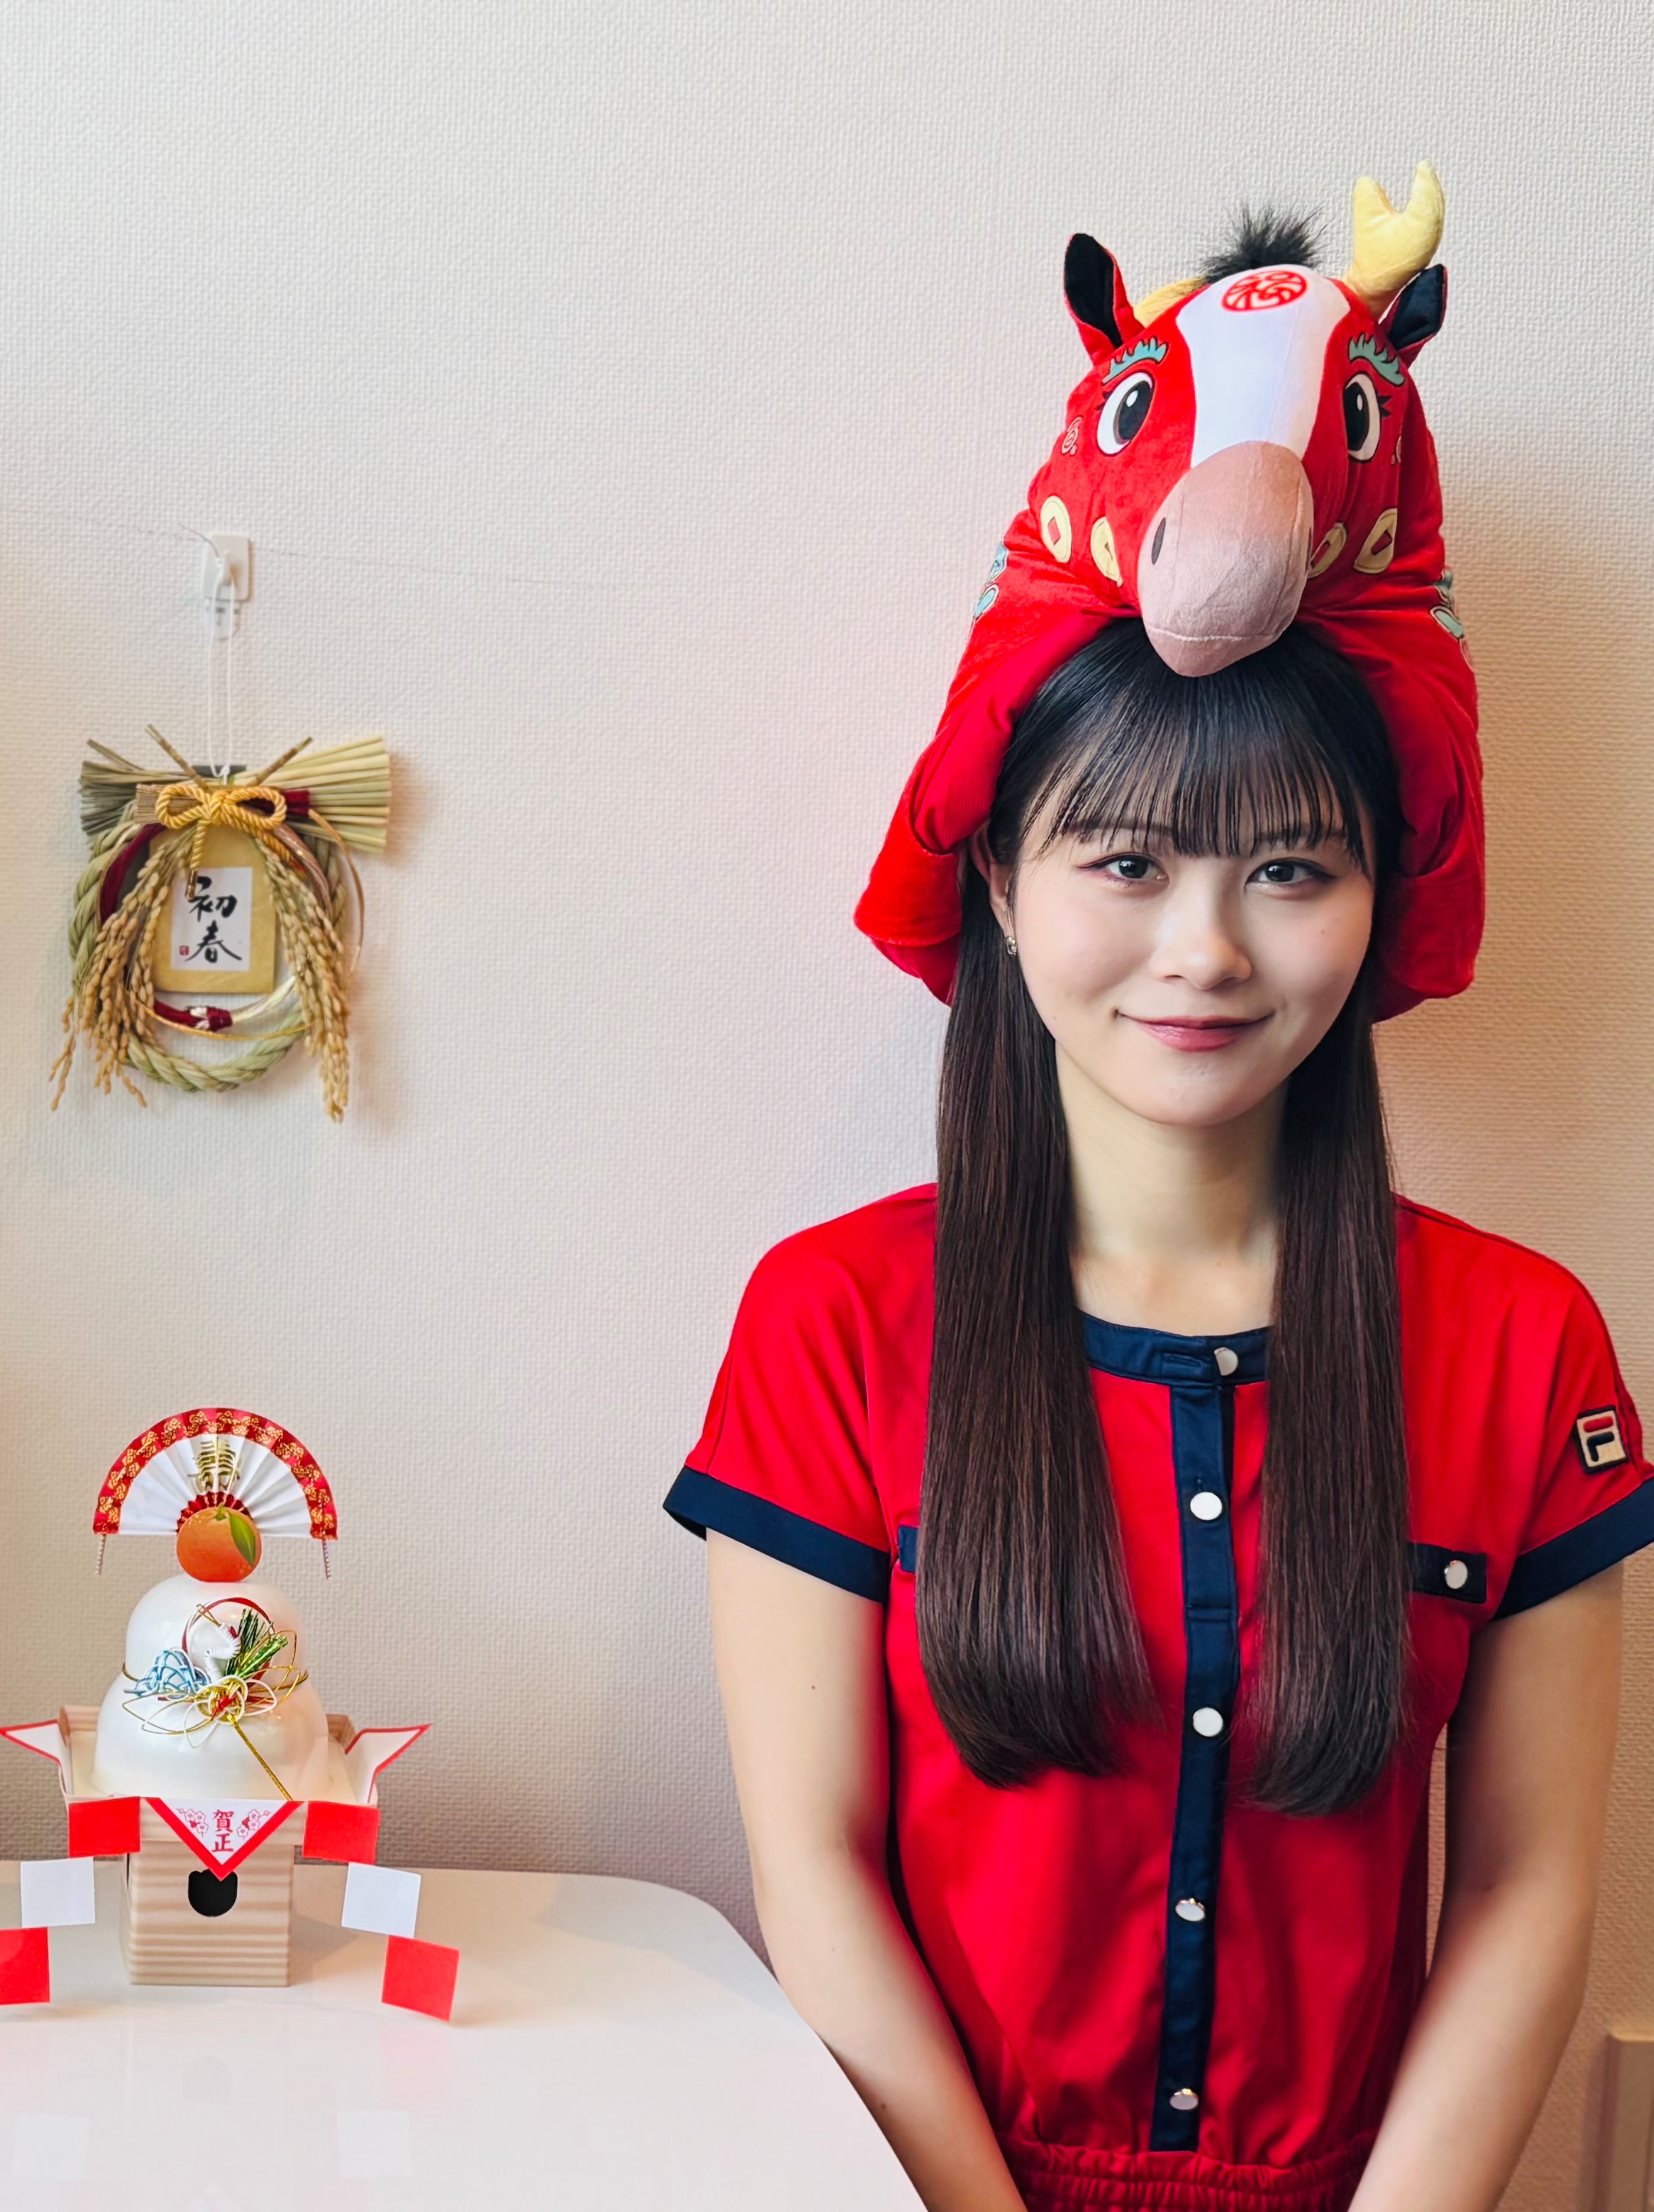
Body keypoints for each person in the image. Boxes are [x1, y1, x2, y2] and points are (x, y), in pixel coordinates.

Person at [669, 183, 1650, 2212]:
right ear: (998, 874)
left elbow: (1530, 1885)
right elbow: (812, 1867)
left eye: (1290, 868)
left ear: (1379, 896)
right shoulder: (833, 1325)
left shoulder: (1525, 1345)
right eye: (1124, 861)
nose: (1203, 948)